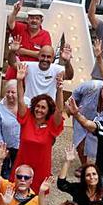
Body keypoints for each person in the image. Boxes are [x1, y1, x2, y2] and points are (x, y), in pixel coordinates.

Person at [12, 63, 64, 195]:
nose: (39, 110)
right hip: (22, 166)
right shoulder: (27, 116)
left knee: (36, 202)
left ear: (48, 111)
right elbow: (20, 100)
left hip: (41, 168)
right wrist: (19, 80)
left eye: (43, 108)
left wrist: (59, 90)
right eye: (37, 106)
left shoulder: (53, 123)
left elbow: (59, 110)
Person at [6, 1, 53, 67]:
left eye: (37, 18)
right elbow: (10, 23)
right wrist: (15, 11)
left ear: (41, 21)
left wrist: (22, 51)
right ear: (27, 20)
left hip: (34, 70)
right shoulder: (21, 27)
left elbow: (44, 54)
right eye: (32, 18)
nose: (34, 20)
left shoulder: (45, 34)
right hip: (15, 66)